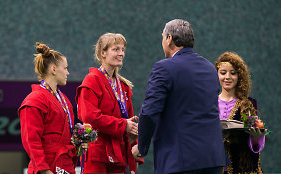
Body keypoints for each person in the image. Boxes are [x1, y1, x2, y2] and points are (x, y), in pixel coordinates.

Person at [131, 19, 227, 174]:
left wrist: (141, 147)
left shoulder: (164, 68)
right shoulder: (210, 68)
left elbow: (149, 113)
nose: (162, 42)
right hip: (212, 158)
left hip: (180, 160)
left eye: (163, 37)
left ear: (169, 39)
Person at [75, 33, 144, 174]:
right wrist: (123, 125)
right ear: (103, 53)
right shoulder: (92, 81)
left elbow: (130, 123)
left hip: (120, 154)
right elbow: (90, 117)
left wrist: (136, 156)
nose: (121, 54)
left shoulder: (123, 86)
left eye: (123, 49)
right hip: (98, 154)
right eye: (116, 49)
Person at [18, 42, 87, 174]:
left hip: (65, 165)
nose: (68, 72)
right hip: (47, 166)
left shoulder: (64, 99)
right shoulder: (34, 100)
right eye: (65, 68)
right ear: (53, 69)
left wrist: (78, 142)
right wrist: (43, 170)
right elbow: (31, 140)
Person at [215, 51, 267, 174]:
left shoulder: (248, 105)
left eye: (233, 73)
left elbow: (254, 140)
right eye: (223, 73)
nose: (227, 77)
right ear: (216, 74)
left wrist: (256, 138)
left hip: (242, 168)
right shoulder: (209, 103)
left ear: (239, 76)